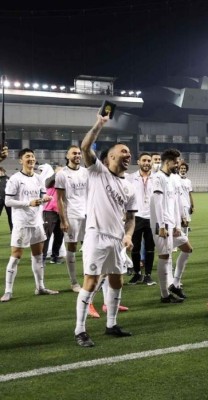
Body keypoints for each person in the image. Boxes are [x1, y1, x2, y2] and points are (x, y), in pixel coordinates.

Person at [74, 114, 137, 347]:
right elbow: (85, 147)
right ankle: (80, 330)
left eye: (129, 153)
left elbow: (131, 218)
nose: (128, 155)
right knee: (91, 282)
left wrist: (128, 235)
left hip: (117, 240)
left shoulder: (129, 187)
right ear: (111, 156)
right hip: (96, 235)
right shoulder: (97, 172)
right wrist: (99, 124)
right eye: (123, 152)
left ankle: (111, 324)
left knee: (117, 280)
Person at [1, 148, 58, 302]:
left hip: (37, 222)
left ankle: (40, 287)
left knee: (38, 256)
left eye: (32, 156)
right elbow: (8, 201)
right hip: (21, 223)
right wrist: (29, 203)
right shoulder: (14, 179)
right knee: (15, 256)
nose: (31, 159)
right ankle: (8, 291)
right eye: (27, 157)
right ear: (21, 160)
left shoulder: (39, 178)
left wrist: (45, 197)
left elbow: (41, 194)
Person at [150, 149, 193, 303]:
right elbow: (158, 204)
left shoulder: (173, 179)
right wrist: (162, 225)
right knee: (165, 257)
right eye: (176, 162)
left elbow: (174, 202)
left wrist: (178, 223)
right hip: (160, 225)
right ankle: (164, 295)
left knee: (187, 249)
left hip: (172, 224)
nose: (178, 164)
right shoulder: (157, 178)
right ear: (167, 162)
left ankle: (174, 284)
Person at [56, 146, 88, 294]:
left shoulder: (86, 172)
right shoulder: (62, 174)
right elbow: (60, 200)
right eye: (74, 153)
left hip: (87, 215)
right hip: (72, 215)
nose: (77, 155)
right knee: (72, 247)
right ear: (67, 155)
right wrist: (63, 220)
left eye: (79, 153)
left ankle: (89, 279)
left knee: (89, 247)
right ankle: (74, 282)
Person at [126, 152, 156, 285]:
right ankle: (137, 274)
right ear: (138, 162)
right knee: (135, 247)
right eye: (144, 160)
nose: (147, 163)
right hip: (135, 217)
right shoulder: (130, 178)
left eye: (149, 161)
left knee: (150, 248)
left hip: (152, 217)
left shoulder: (157, 178)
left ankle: (148, 275)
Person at [41, 164, 66, 266]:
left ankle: (55, 257)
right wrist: (57, 173)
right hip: (49, 210)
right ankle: (41, 259)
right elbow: (47, 184)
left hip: (61, 211)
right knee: (46, 235)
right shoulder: (49, 180)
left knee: (59, 236)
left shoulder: (64, 181)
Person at [178, 160, 194, 233]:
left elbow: (190, 194)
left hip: (187, 205)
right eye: (181, 168)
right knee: (183, 223)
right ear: (179, 169)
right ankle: (183, 240)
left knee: (187, 222)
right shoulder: (176, 179)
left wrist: (192, 205)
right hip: (180, 204)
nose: (183, 170)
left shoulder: (188, 181)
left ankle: (185, 238)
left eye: (184, 168)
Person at [0, 166, 13, 233]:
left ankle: (12, 229)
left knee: (10, 215)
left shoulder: (9, 179)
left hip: (8, 199)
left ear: (2, 171)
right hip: (0, 199)